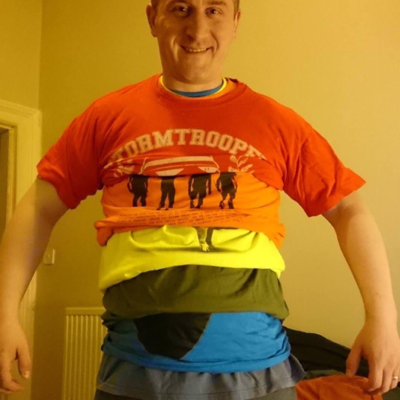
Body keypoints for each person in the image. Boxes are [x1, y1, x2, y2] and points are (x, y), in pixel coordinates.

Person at [0, 0, 399, 399]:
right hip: (135, 376)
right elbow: (39, 208)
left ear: (235, 22)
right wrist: (5, 313)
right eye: (180, 8)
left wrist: (382, 319)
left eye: (214, 10)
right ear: (153, 18)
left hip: (260, 377)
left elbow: (348, 209)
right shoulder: (106, 117)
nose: (197, 28)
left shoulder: (275, 121)